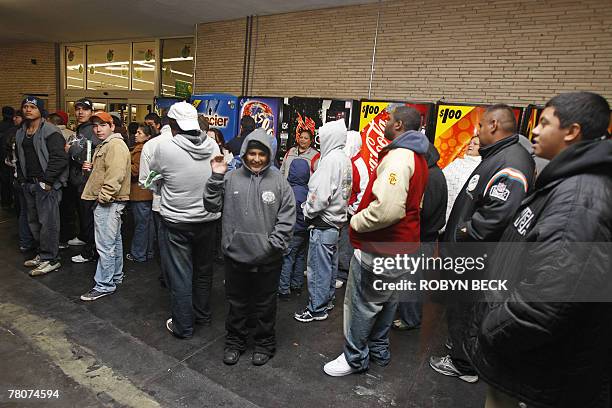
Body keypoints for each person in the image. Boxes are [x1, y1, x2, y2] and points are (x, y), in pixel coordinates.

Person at [465, 92, 612, 407]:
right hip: (526, 359)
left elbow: (547, 303)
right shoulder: (567, 183)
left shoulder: (579, 200)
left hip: (531, 364)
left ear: (571, 132)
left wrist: (491, 327)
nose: (533, 130)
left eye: (544, 123)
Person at [429, 104, 535, 383]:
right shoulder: (499, 156)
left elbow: (497, 214)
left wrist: (464, 233)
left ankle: (464, 365)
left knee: (467, 309)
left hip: (476, 256)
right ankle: (461, 354)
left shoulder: (511, 160)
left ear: (493, 126)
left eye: (479, 126)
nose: (476, 132)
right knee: (461, 308)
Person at [323, 105, 429, 376]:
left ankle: (355, 358)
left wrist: (357, 221)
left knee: (364, 303)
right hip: (402, 247)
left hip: (382, 247)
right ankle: (379, 349)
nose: (384, 122)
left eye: (389, 119)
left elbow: (388, 209)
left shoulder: (399, 157)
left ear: (400, 126)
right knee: (388, 300)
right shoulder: (418, 157)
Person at [205, 128, 295, 366]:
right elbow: (211, 206)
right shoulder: (231, 178)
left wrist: (272, 246)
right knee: (237, 304)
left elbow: (287, 219)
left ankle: (264, 344)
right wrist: (215, 177)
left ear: (269, 155)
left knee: (265, 305)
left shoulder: (280, 183)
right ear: (244, 153)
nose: (256, 158)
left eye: (261, 154)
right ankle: (235, 342)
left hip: (268, 258)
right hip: (236, 257)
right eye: (252, 153)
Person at [149, 102, 221, 338]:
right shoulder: (212, 145)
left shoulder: (165, 148)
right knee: (203, 271)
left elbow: (153, 177)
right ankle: (202, 315)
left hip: (177, 223)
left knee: (181, 275)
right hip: (208, 221)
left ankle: (183, 326)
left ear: (172, 124)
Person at [294, 119, 352, 323]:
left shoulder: (329, 161)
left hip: (323, 221)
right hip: (336, 222)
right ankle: (325, 301)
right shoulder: (344, 159)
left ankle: (316, 308)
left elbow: (319, 196)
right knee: (329, 267)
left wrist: (306, 210)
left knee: (318, 268)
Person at [393, 144, 447, 331]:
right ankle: (410, 315)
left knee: (411, 280)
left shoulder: (431, 177)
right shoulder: (435, 173)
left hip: (422, 238)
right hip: (425, 237)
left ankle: (410, 319)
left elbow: (426, 211)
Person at [79, 112, 131, 301]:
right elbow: (106, 172)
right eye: (95, 125)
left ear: (112, 126)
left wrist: (103, 197)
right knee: (113, 243)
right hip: (111, 201)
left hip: (109, 202)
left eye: (102, 125)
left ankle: (104, 284)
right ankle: (114, 277)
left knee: (105, 246)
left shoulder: (115, 145)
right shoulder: (108, 144)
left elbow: (115, 175)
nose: (98, 129)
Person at [16, 96, 69, 276]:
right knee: (34, 222)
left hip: (46, 185)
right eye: (25, 106)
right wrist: (23, 180)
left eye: (32, 107)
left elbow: (60, 158)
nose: (28, 110)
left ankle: (51, 259)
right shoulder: (21, 131)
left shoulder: (50, 130)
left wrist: (47, 181)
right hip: (29, 184)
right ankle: (42, 254)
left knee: (49, 224)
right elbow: (20, 158)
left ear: (41, 111)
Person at [139, 116, 173, 287]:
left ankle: (166, 277)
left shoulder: (151, 144)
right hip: (185, 206)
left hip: (159, 203)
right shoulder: (193, 143)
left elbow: (144, 181)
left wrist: (157, 186)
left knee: (162, 242)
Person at [69, 98, 101, 263]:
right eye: (78, 109)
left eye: (85, 109)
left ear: (92, 112)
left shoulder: (91, 130)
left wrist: (71, 150)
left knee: (89, 216)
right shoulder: (81, 129)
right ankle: (84, 238)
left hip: (87, 181)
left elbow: (88, 154)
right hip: (80, 180)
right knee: (84, 215)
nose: (81, 112)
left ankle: (91, 250)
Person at [336, 130, 368, 289]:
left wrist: (352, 210)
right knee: (341, 242)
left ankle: (343, 273)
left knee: (346, 244)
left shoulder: (358, 165)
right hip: (344, 210)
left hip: (350, 213)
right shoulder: (350, 161)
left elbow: (363, 191)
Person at [278, 158, 310, 300]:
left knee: (287, 259)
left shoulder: (289, 192)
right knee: (300, 257)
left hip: (292, 231)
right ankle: (296, 285)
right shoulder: (308, 191)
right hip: (304, 231)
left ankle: (284, 289)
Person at [5, 111, 35, 251]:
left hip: (18, 178)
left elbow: (8, 160)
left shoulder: (14, 135)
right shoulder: (23, 137)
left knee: (24, 211)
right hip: (26, 179)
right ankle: (32, 242)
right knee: (31, 211)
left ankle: (25, 242)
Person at [126, 123, 155, 263]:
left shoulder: (140, 150)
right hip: (148, 191)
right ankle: (148, 252)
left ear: (148, 136)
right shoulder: (151, 148)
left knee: (141, 225)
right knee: (148, 224)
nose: (136, 135)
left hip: (139, 192)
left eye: (139, 133)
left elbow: (136, 170)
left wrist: (124, 164)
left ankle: (138, 253)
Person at [441, 136, 481, 226]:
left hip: (459, 213)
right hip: (443, 206)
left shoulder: (480, 167)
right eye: (470, 143)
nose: (471, 145)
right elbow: (442, 178)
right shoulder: (457, 162)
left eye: (475, 144)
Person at [0, 106, 16, 209]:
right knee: (12, 179)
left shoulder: (0, 125)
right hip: (12, 157)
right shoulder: (15, 127)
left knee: (4, 180)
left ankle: (6, 202)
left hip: (1, 157)